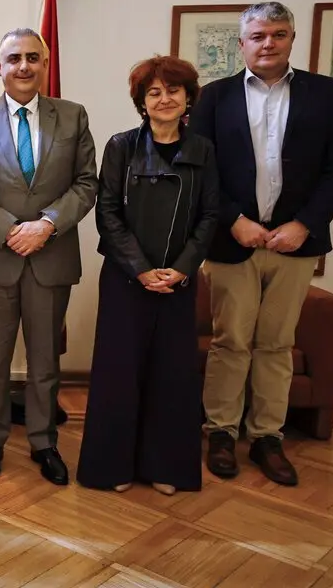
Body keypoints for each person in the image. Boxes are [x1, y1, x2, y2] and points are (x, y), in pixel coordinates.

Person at [190, 2, 333, 486]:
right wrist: (233, 220)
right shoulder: (213, 97)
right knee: (230, 341)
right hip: (232, 242)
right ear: (241, 43)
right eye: (258, 35)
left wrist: (305, 224)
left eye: (278, 34)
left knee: (277, 343)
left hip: (295, 244)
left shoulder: (324, 93)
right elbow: (200, 169)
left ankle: (267, 436)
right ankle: (221, 432)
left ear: (291, 39)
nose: (268, 43)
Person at [0, 28, 97, 486]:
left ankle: (44, 441)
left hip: (50, 256)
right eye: (14, 58)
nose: (24, 66)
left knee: (44, 362)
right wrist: (7, 230)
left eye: (33, 57)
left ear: (45, 63)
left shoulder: (72, 116)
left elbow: (87, 183)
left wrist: (47, 225)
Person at [78, 56, 218, 495]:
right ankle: (113, 467)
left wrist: (181, 269)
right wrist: (140, 269)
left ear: (188, 97)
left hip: (178, 281)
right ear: (142, 102)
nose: (164, 99)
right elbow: (107, 213)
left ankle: (166, 467)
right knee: (118, 374)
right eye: (153, 92)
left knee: (171, 375)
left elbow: (210, 215)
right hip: (126, 279)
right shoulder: (121, 146)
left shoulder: (204, 150)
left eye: (173, 90)